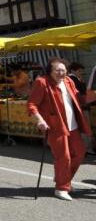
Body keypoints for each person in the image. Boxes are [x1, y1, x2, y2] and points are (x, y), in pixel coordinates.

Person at [27, 58, 91, 201]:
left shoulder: (69, 81)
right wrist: (40, 120)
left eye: (63, 70)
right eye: (57, 70)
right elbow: (32, 104)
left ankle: (64, 180)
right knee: (64, 157)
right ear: (50, 70)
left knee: (80, 153)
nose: (61, 73)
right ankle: (61, 188)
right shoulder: (42, 82)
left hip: (72, 125)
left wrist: (90, 96)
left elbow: (78, 98)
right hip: (55, 125)